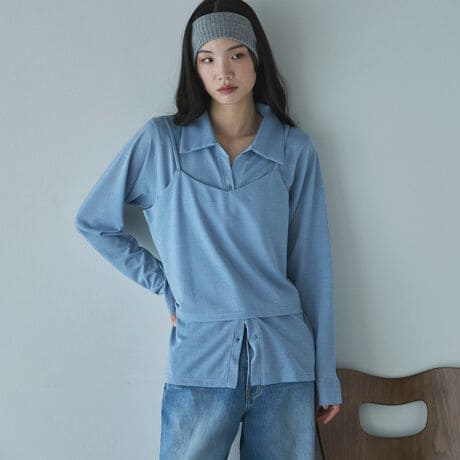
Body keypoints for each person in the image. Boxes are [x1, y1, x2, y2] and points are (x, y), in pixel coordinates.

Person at [74, 0, 342, 458]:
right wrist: (165, 285)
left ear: (257, 60)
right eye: (208, 59)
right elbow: (94, 222)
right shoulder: (161, 143)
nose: (224, 72)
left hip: (286, 362)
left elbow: (312, 267)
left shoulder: (293, 150)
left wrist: (325, 374)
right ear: (194, 68)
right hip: (200, 359)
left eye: (237, 54)